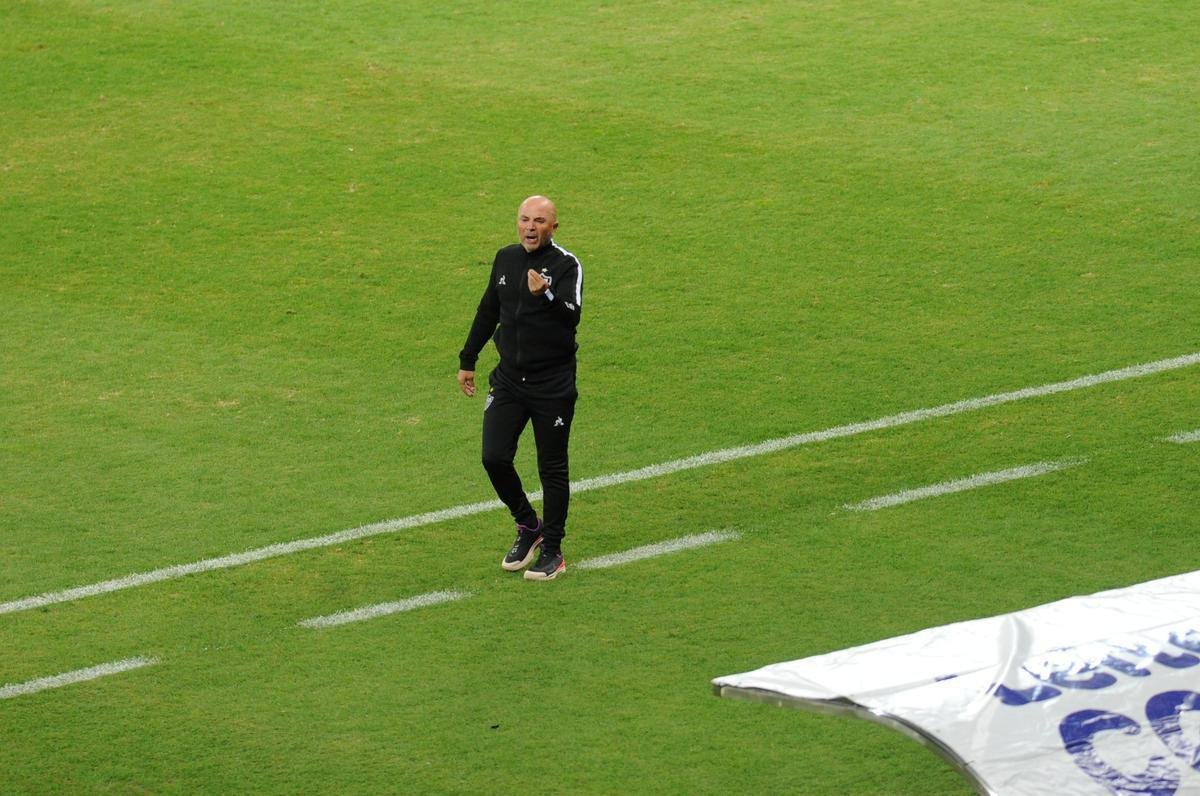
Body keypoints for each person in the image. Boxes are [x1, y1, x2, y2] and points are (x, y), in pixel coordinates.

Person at [457, 196, 584, 581]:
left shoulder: (567, 265)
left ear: (553, 228)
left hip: (551, 386)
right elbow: (488, 310)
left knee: (552, 469)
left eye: (540, 221)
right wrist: (468, 358)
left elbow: (571, 317)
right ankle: (529, 525)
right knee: (493, 457)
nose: (531, 227)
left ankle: (553, 550)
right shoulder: (505, 258)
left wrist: (544, 294)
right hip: (509, 380)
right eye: (525, 220)